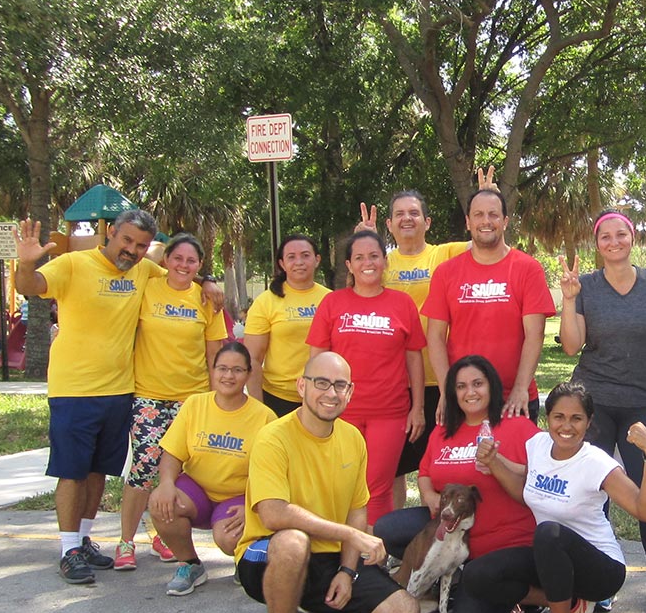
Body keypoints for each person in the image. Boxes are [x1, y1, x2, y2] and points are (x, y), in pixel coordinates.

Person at [235, 351, 419, 613]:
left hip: (328, 557)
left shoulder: (352, 439)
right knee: (294, 541)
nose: (331, 393)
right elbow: (274, 513)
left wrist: (347, 572)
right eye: (321, 383)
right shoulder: (273, 437)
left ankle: (303, 610)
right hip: (267, 554)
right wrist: (353, 535)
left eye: (340, 386)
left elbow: (356, 510)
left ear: (350, 393)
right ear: (301, 386)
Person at [13, 210, 166, 584]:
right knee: (72, 471)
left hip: (119, 391)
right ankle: (67, 550)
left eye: (140, 246)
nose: (131, 250)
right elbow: (30, 286)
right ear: (111, 233)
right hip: (73, 391)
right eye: (126, 240)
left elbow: (180, 275)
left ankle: (83, 540)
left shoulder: (143, 271)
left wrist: (208, 283)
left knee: (99, 471)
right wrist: (26, 264)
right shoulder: (73, 265)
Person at [475, 381, 646, 613]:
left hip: (601, 570)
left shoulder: (596, 463)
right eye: (558, 417)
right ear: (547, 419)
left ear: (589, 422)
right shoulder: (537, 446)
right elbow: (528, 482)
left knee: (548, 534)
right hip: (554, 560)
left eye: (576, 418)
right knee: (479, 575)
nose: (566, 426)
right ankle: (570, 602)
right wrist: (494, 461)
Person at [557, 210, 646, 613]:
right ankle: (602, 583)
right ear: (597, 244)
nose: (614, 242)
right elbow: (572, 346)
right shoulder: (586, 286)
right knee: (595, 495)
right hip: (593, 403)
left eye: (621, 234)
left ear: (632, 237)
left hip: (642, 402)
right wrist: (570, 297)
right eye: (605, 236)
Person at [373, 355, 540, 613]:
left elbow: (535, 486)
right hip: (452, 532)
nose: (470, 392)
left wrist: (497, 465)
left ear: (492, 387)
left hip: (501, 541)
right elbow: (425, 471)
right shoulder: (444, 430)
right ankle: (439, 581)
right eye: (461, 386)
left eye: (478, 384)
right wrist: (428, 494)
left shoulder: (518, 428)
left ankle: (534, 595)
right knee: (389, 529)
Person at [116, 234, 228, 570]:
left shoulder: (206, 300)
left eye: (191, 261)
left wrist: (215, 400)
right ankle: (125, 542)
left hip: (192, 399)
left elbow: (214, 355)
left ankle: (163, 536)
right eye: (177, 258)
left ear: (200, 266)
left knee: (179, 474)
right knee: (145, 469)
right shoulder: (147, 286)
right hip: (149, 395)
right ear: (165, 260)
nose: (183, 265)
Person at [357, 190, 471, 506]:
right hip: (393, 381)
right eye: (400, 214)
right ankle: (392, 541)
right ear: (389, 225)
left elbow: (486, 240)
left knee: (438, 464)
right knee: (392, 468)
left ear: (427, 221)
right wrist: (365, 244)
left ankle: (435, 539)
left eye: (414, 213)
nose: (407, 218)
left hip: (440, 377)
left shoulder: (444, 253)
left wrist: (487, 197)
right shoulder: (379, 261)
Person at [307, 229, 426, 526]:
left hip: (389, 412)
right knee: (338, 484)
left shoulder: (402, 304)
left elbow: (414, 359)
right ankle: (337, 551)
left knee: (377, 488)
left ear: (385, 262)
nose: (367, 263)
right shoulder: (332, 304)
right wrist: (313, 407)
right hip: (339, 412)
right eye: (359, 258)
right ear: (349, 265)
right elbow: (316, 360)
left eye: (374, 256)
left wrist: (418, 408)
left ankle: (372, 556)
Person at [149, 342, 277, 595]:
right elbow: (172, 454)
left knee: (228, 539)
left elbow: (273, 474)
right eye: (222, 368)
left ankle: (244, 560)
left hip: (237, 496)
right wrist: (165, 485)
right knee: (160, 503)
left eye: (237, 370)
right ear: (213, 370)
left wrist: (253, 507)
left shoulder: (265, 417)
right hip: (197, 490)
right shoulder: (195, 404)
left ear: (249, 374)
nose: (228, 376)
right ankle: (190, 564)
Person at [423, 184, 555, 421]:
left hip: (514, 400)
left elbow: (534, 335)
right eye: (479, 215)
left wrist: (520, 387)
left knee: (515, 461)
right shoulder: (446, 273)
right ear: (468, 222)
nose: (486, 221)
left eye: (493, 214)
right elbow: (435, 337)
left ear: (505, 221)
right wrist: (447, 391)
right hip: (465, 399)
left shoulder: (528, 268)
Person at [245, 234, 331, 416]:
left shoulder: (331, 299)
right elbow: (253, 358)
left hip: (322, 397)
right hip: (278, 398)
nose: (299, 262)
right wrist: (257, 407)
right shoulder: (266, 301)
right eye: (291, 257)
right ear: (282, 264)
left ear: (317, 260)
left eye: (305, 255)